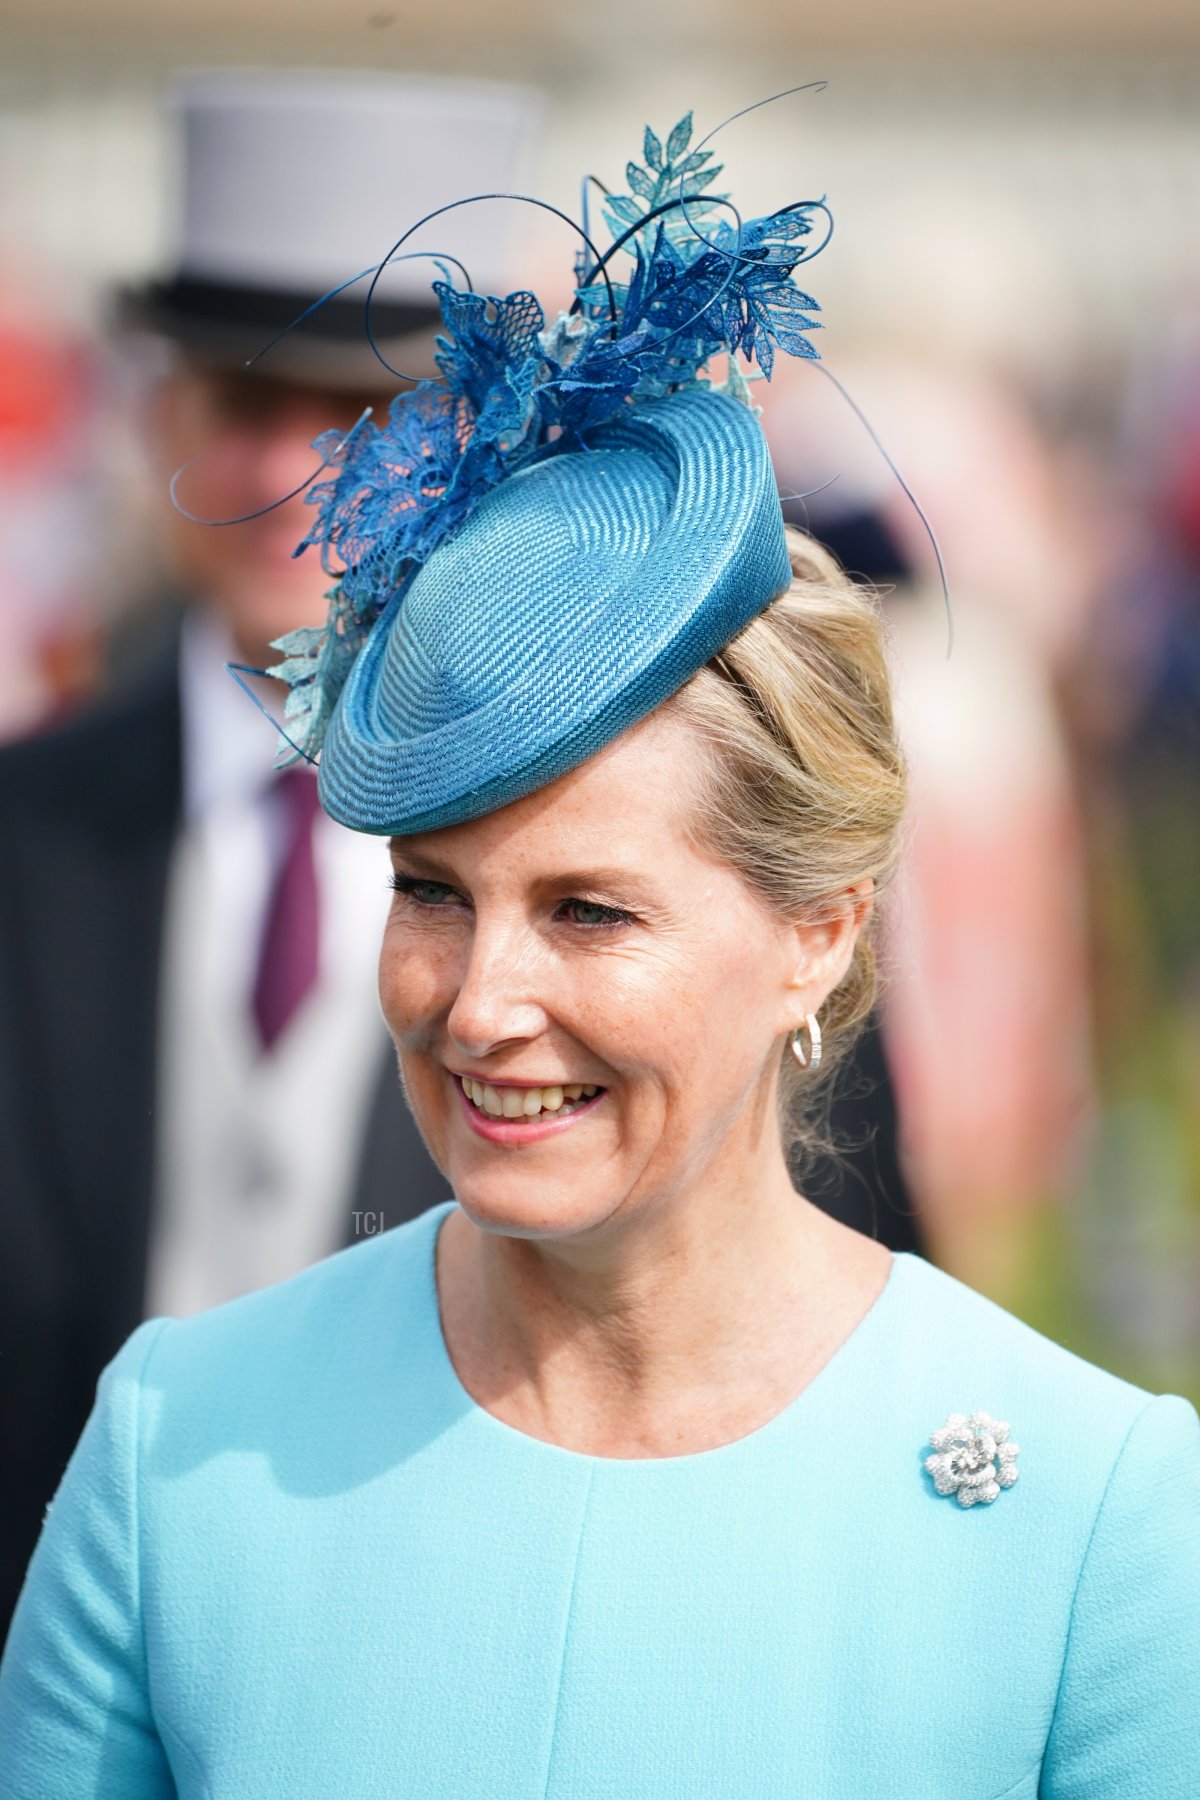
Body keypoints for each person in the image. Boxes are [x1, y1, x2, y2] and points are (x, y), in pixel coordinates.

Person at [8, 106, 1186, 1798]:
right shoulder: (172, 1451)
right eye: (430, 893)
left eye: (590, 911)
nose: (479, 1002)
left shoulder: (1095, 1519)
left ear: (821, 932)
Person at [0, 70, 540, 1638]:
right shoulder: (21, 832)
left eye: (367, 414)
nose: (295, 473)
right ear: (165, 414)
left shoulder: (633, 861)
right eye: (247, 405)